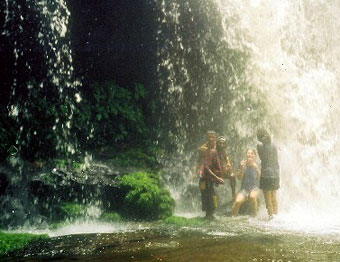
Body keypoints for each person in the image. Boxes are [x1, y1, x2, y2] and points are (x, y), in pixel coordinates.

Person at [195, 131, 224, 219]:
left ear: (215, 138)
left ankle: (211, 215)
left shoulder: (216, 148)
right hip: (204, 178)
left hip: (211, 178)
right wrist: (217, 177)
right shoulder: (203, 149)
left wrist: (219, 175)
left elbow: (218, 163)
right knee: (206, 197)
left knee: (212, 196)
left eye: (213, 137)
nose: (211, 139)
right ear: (207, 138)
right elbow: (205, 166)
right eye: (209, 137)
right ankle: (208, 216)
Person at [257, 128, 280, 218]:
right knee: (274, 197)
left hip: (266, 174)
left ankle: (271, 217)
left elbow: (262, 158)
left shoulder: (259, 145)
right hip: (276, 173)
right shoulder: (274, 144)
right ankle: (276, 216)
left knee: (268, 199)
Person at [231, 148, 261, 217]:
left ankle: (255, 217)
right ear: (246, 155)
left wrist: (257, 169)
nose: (250, 155)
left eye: (252, 153)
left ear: (255, 155)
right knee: (237, 201)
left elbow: (261, 179)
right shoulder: (242, 163)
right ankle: (232, 218)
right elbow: (239, 178)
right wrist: (242, 168)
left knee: (252, 197)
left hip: (255, 188)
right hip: (244, 189)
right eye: (248, 153)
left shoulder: (258, 164)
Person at [216, 136, 236, 200]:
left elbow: (226, 158)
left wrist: (228, 164)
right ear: (217, 144)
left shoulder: (223, 151)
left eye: (223, 144)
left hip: (222, 172)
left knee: (232, 176)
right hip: (215, 173)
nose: (222, 145)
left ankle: (233, 193)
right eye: (220, 143)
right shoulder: (214, 151)